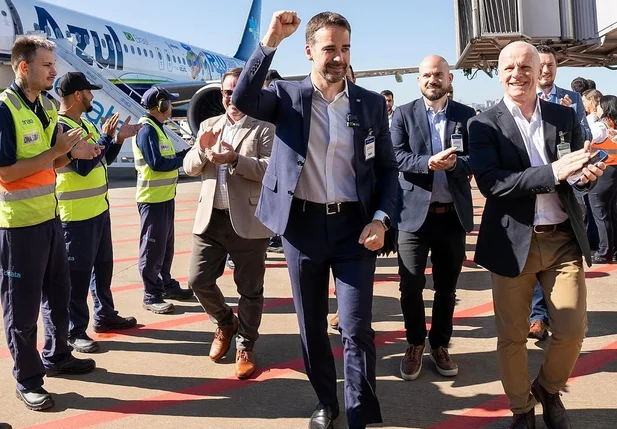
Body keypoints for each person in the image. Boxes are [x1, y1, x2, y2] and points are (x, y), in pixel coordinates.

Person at [233, 10, 398, 429]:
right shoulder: (287, 96)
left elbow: (386, 171)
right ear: (309, 52)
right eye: (329, 49)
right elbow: (243, 99)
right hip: (301, 227)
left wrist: (381, 219)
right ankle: (327, 400)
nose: (338, 57)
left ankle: (361, 412)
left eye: (345, 49)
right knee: (310, 325)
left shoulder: (371, 104)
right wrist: (269, 40)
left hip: (354, 228)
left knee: (357, 327)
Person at [468, 41, 605, 429]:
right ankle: (521, 407)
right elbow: (494, 184)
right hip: (513, 244)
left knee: (573, 329)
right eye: (509, 67)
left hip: (562, 238)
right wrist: (554, 172)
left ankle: (548, 387)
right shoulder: (483, 124)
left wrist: (582, 176)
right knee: (511, 336)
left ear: (540, 70)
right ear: (499, 72)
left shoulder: (562, 117)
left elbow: (574, 173)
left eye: (525, 66)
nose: (518, 74)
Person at [0, 35, 99, 411]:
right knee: (21, 309)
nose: (53, 72)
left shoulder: (41, 106)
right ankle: (27, 379)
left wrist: (69, 156)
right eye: (46, 65)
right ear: (23, 67)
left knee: (59, 293)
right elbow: (7, 173)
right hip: (18, 227)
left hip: (49, 220)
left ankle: (58, 355)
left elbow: (47, 165)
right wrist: (56, 152)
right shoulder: (5, 108)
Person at [184, 67, 274, 380]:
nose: (231, 98)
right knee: (197, 280)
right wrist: (201, 150)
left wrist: (235, 160)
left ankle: (246, 345)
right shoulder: (209, 125)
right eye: (226, 92)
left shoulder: (264, 128)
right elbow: (189, 168)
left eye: (237, 91)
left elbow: (270, 170)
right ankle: (225, 322)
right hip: (210, 218)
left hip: (248, 221)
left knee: (250, 290)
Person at [391, 55, 475, 381]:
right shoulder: (402, 114)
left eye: (438, 74)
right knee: (410, 285)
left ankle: (439, 344)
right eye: (426, 75)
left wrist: (455, 165)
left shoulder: (466, 116)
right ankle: (414, 342)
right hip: (413, 217)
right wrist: (428, 162)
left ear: (449, 78)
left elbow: (476, 159)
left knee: (446, 288)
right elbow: (396, 155)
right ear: (418, 80)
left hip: (451, 216)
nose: (432, 80)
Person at [55, 72, 139, 353]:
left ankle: (105, 316)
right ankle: (74, 332)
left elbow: (101, 159)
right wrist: (106, 136)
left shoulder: (86, 124)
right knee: (76, 278)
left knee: (103, 269)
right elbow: (81, 167)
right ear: (78, 95)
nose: (93, 96)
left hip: (98, 211)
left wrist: (115, 141)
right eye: (90, 92)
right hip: (75, 217)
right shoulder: (61, 127)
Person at [528, 44, 594, 340]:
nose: (545, 70)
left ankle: (546, 315)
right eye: (540, 65)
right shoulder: (525, 96)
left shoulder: (572, 100)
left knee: (558, 253)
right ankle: (537, 316)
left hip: (565, 188)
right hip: (533, 186)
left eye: (550, 65)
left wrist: (568, 117)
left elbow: (586, 138)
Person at [132, 86, 193, 314]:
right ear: (161, 105)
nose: (172, 107)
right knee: (152, 249)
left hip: (165, 198)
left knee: (166, 248)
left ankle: (166, 284)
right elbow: (156, 163)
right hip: (152, 200)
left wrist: (187, 154)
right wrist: (182, 161)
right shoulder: (147, 130)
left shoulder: (159, 129)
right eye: (169, 102)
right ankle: (151, 294)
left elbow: (167, 157)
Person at [587, 95, 617, 263]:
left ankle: (604, 251)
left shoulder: (600, 125)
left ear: (605, 108)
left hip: (603, 172)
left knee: (600, 212)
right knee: (611, 212)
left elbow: (586, 138)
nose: (595, 109)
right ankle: (612, 250)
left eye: (598, 106)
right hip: (613, 171)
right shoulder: (613, 125)